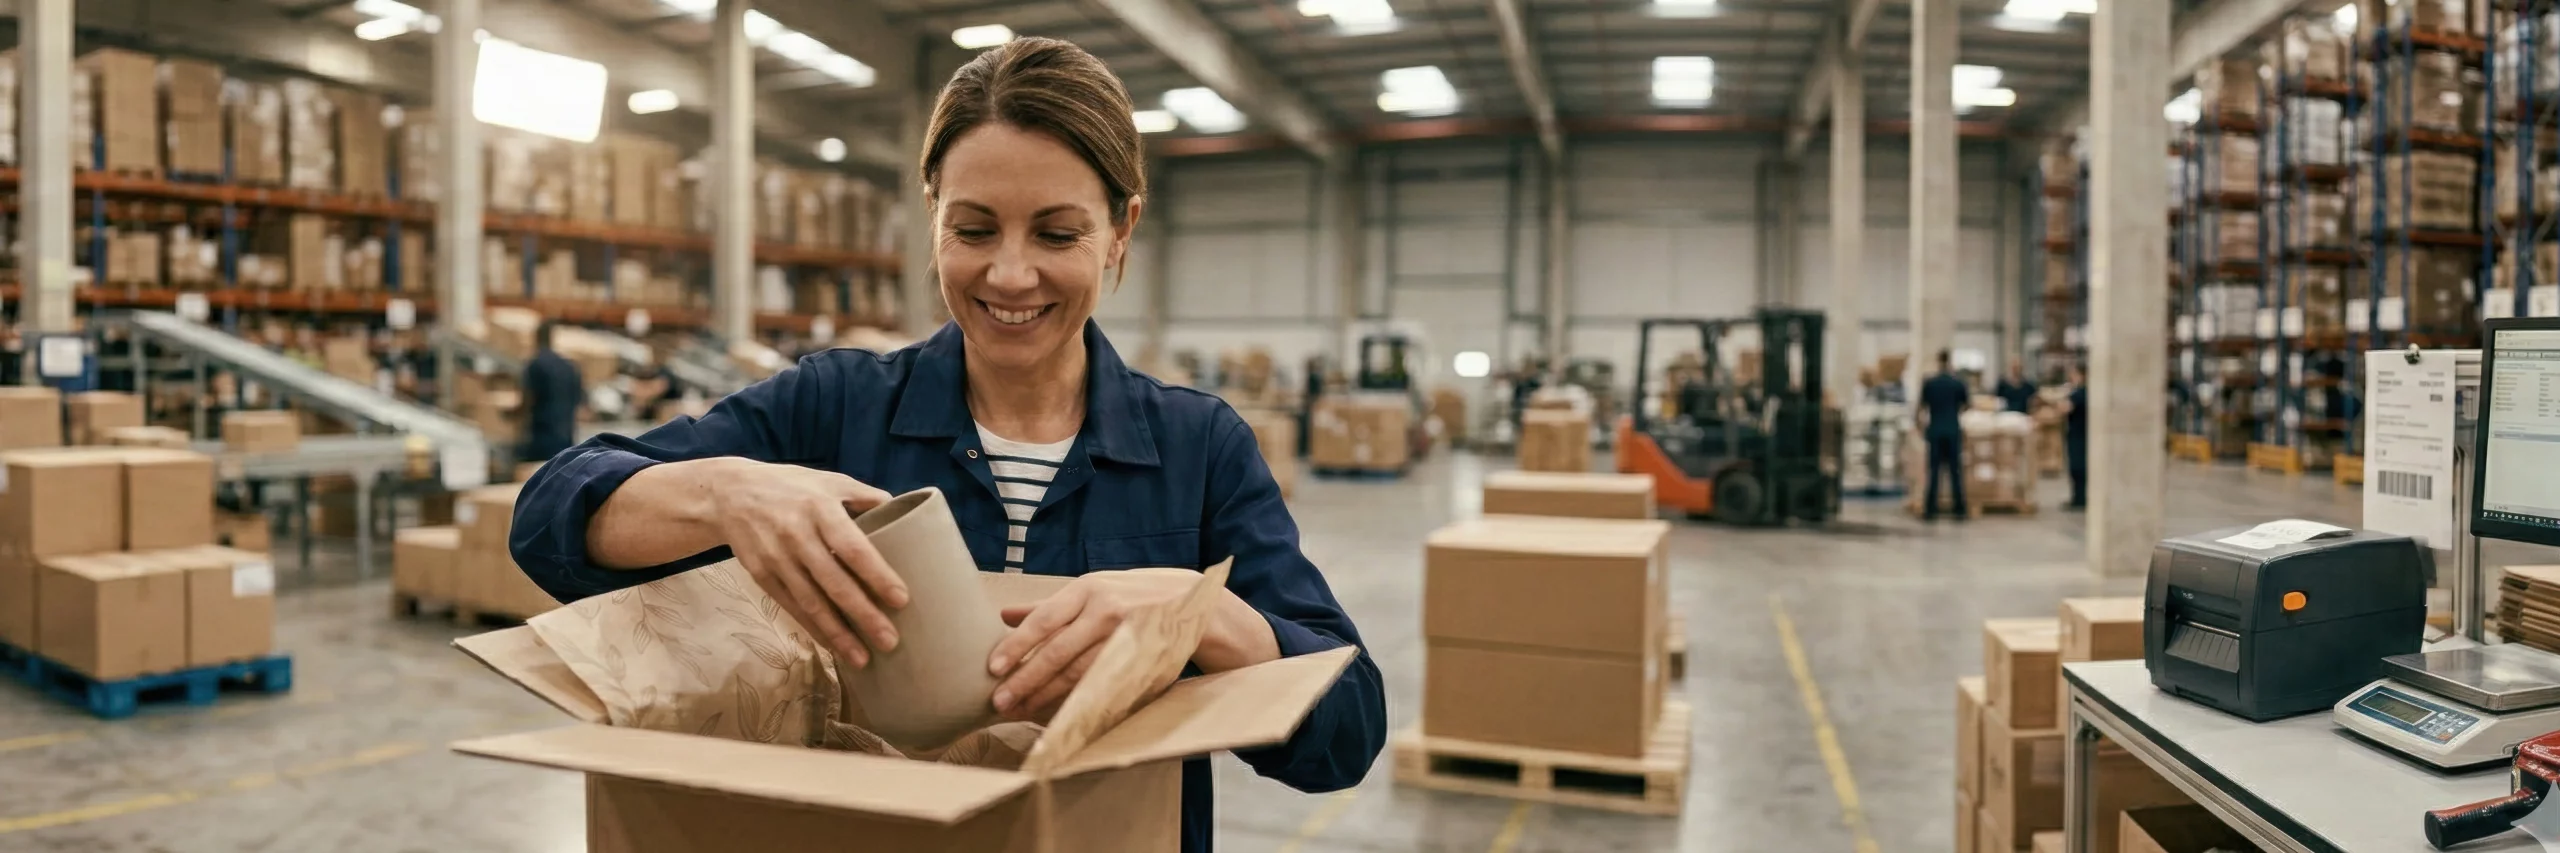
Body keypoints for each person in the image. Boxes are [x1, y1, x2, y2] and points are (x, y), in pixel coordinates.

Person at [508, 38, 1383, 853]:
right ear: (932, 216)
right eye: (972, 230)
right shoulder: (833, 406)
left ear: (1122, 228)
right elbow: (553, 515)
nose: (1008, 274)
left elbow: (1346, 731)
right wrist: (720, 492)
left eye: (1057, 232)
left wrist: (1205, 616)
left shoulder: (1197, 449)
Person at [519, 321, 583, 464]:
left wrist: (511, 416)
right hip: (566, 435)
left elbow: (528, 399)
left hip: (542, 436)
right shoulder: (569, 366)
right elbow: (579, 400)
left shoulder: (536, 364)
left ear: (535, 338)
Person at [1917, 348, 1971, 521]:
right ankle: (1959, 509)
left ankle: (1930, 510)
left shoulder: (1930, 383)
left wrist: (1920, 426)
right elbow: (1967, 405)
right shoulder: (1958, 383)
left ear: (1938, 361)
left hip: (1935, 430)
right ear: (1949, 362)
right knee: (1955, 471)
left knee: (1934, 471)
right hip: (1952, 430)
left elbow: (1921, 407)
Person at [2064, 362, 2089, 510]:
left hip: (2078, 435)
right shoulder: (2083, 392)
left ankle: (2080, 499)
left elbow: (2065, 408)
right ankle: (2079, 497)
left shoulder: (2079, 393)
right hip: (2082, 433)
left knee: (2077, 467)